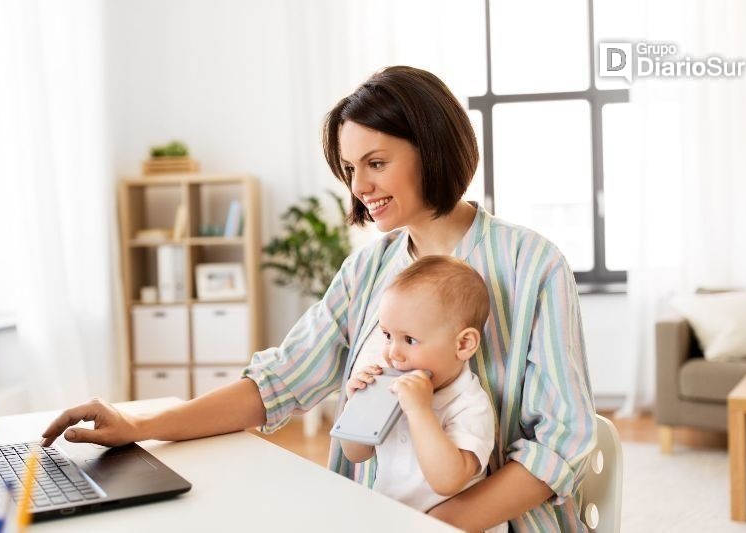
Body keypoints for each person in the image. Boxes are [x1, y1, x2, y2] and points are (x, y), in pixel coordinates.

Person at [41, 66, 596, 531]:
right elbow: (278, 384)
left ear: (432, 150)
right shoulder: (367, 269)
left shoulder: (532, 265)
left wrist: (427, 527)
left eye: (376, 163)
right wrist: (140, 425)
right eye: (350, 169)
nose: (358, 187)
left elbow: (561, 443)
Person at [340, 255, 506, 533]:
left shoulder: (470, 404)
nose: (393, 353)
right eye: (387, 335)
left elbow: (447, 482)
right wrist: (356, 406)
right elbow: (355, 454)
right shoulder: (393, 387)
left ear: (464, 344)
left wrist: (420, 411)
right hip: (392, 520)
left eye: (410, 340)